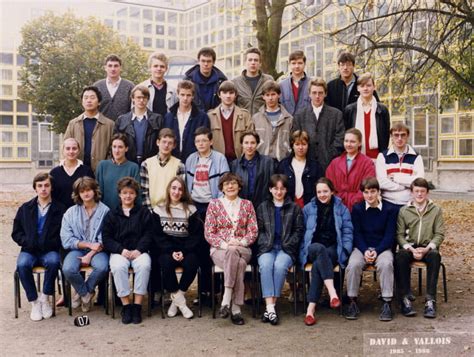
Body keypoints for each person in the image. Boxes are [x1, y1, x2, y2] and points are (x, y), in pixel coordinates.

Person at [204, 173, 258, 325]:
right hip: (219, 249)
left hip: (243, 248)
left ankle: (226, 297)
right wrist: (227, 245)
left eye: (234, 183)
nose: (230, 186)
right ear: (222, 187)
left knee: (235, 253)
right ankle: (236, 309)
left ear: (239, 186)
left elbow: (253, 231)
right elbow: (209, 232)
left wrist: (241, 242)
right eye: (227, 184)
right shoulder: (214, 205)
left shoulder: (247, 204)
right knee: (239, 264)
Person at [12, 173, 66, 321]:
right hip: (29, 250)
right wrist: (27, 242)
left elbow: (64, 233)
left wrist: (50, 243)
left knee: (54, 262)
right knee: (22, 264)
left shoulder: (60, 209)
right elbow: (16, 232)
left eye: (47, 185)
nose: (43, 189)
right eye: (40, 186)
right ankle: (34, 301)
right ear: (35, 188)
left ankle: (45, 297)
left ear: (51, 188)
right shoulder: (25, 208)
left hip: (50, 250)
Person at [299, 177, 353, 326]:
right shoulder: (308, 209)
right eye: (319, 192)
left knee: (318, 264)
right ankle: (332, 293)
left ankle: (310, 310)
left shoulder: (342, 208)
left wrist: (346, 250)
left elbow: (348, 232)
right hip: (312, 247)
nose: (322, 194)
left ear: (332, 191)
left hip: (334, 249)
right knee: (319, 249)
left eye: (325, 191)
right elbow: (302, 232)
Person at [185, 127, 230, 300]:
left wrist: (216, 205)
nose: (201, 144)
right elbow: (187, 184)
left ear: (211, 141)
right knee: (200, 248)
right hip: (195, 207)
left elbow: (225, 184)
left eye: (204, 140)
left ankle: (217, 289)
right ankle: (204, 291)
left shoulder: (219, 159)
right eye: (198, 141)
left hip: (213, 206)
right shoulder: (191, 159)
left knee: (216, 247)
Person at [345, 177, 398, 321]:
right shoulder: (357, 209)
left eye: (373, 191)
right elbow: (356, 234)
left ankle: (387, 302)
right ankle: (352, 301)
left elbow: (389, 236)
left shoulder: (390, 209)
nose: (370, 195)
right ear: (362, 193)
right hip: (362, 247)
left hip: (382, 248)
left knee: (386, 264)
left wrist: (376, 251)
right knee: (354, 264)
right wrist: (365, 251)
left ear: (379, 192)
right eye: (366, 192)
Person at [102, 177, 152, 324]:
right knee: (118, 266)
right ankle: (126, 306)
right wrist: (120, 250)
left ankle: (137, 305)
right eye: (124, 193)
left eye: (131, 193)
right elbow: (106, 238)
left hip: (139, 251)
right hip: (120, 252)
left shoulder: (143, 213)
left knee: (144, 265)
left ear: (136, 195)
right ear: (119, 194)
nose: (128, 196)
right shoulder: (112, 214)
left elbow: (149, 234)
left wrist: (139, 249)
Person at [256, 174, 304, 325]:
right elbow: (259, 230)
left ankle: (269, 309)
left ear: (286, 190)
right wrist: (265, 243)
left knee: (280, 266)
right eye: (275, 188)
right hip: (267, 247)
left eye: (282, 189)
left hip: (286, 248)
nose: (278, 192)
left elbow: (298, 231)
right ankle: (271, 308)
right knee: (265, 265)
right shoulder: (263, 207)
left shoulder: (294, 208)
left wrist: (288, 244)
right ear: (270, 189)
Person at [396, 178, 445, 319]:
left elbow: (439, 234)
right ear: (411, 192)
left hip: (427, 247)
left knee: (435, 256)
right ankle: (405, 298)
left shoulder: (435, 210)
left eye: (422, 191)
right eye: (416, 191)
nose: (419, 194)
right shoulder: (404, 211)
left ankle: (430, 300)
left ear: (427, 193)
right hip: (410, 247)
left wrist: (427, 248)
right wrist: (410, 249)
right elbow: (399, 235)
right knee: (400, 256)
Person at [154, 177, 201, 319]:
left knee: (192, 263)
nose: (176, 192)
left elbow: (195, 235)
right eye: (173, 188)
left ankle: (176, 299)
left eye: (180, 189)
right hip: (166, 250)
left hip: (186, 248)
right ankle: (181, 303)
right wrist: (171, 251)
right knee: (166, 264)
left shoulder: (191, 210)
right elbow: (157, 236)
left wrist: (183, 251)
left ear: (184, 192)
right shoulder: (159, 209)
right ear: (169, 190)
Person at [60, 177, 110, 312]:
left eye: (88, 190)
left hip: (98, 251)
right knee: (68, 269)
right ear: (78, 194)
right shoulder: (70, 213)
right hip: (77, 250)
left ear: (94, 191)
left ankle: (83, 292)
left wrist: (91, 254)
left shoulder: (105, 211)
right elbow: (66, 239)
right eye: (82, 191)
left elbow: (106, 238)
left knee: (102, 267)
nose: (86, 194)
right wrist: (87, 245)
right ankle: (86, 293)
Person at [292, 78, 345, 172]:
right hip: (306, 165)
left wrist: (328, 156)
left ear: (325, 93)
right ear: (309, 94)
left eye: (320, 93)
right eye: (314, 93)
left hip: (330, 164)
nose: (317, 96)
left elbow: (339, 140)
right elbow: (295, 139)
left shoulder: (336, 114)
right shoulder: (300, 115)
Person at [64, 86, 114, 172]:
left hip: (101, 171)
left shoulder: (109, 125)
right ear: (82, 102)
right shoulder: (73, 124)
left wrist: (106, 166)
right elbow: (65, 147)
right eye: (86, 98)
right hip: (77, 171)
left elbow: (113, 150)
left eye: (92, 97)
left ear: (99, 102)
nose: (89, 100)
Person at [325, 128, 376, 212]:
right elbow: (328, 185)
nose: (348, 144)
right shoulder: (335, 163)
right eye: (346, 141)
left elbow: (368, 186)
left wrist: (354, 201)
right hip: (337, 207)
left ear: (359, 143)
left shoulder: (367, 163)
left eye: (352, 141)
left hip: (359, 207)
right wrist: (337, 200)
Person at [376, 123, 425, 207]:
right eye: (396, 135)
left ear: (408, 136)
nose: (399, 138)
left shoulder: (416, 157)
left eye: (403, 135)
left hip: (409, 204)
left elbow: (419, 182)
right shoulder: (382, 156)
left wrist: (395, 178)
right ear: (391, 136)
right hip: (388, 203)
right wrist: (404, 186)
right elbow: (381, 182)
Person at [343, 72, 390, 160]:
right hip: (356, 158)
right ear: (358, 88)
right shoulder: (350, 110)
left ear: (374, 87)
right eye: (362, 86)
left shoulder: (382, 110)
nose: (365, 88)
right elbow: (346, 134)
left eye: (368, 85)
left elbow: (386, 136)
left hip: (377, 158)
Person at [114, 85, 164, 165]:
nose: (141, 100)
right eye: (138, 97)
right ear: (132, 99)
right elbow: (116, 143)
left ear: (148, 99)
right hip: (127, 162)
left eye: (144, 97)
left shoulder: (157, 119)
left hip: (151, 162)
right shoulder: (122, 120)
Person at [207, 80, 255, 162]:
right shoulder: (210, 116)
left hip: (239, 160)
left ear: (235, 95)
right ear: (219, 94)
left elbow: (251, 138)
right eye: (224, 93)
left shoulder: (245, 115)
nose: (228, 96)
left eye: (231, 93)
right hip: (217, 161)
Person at [163, 80, 210, 161]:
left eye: (188, 95)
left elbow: (206, 140)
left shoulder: (202, 117)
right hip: (172, 159)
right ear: (177, 95)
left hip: (195, 160)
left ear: (193, 96)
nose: (185, 98)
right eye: (182, 95)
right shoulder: (169, 117)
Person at [140, 128, 185, 211]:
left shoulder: (179, 165)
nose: (166, 145)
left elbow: (180, 192)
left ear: (174, 146)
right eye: (164, 142)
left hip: (171, 211)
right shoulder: (146, 164)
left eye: (170, 143)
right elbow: (144, 193)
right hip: (151, 211)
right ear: (158, 142)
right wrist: (151, 212)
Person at [276, 130, 322, 208]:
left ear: (308, 145)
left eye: (304, 144)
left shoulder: (315, 166)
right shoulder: (284, 165)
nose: (300, 147)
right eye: (297, 144)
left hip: (309, 206)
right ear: (292, 145)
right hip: (288, 206)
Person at [231, 131, 275, 210]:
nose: (249, 146)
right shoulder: (234, 165)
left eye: (252, 143)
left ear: (257, 144)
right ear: (242, 144)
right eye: (246, 143)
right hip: (241, 207)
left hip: (263, 206)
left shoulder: (268, 162)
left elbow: (272, 185)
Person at [96, 133, 140, 210]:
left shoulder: (133, 168)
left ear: (126, 148)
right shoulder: (102, 165)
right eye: (114, 147)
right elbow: (97, 192)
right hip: (105, 212)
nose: (117, 150)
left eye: (120, 147)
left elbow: (136, 194)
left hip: (126, 213)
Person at [252, 81, 293, 161]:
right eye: (267, 95)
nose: (270, 98)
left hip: (282, 161)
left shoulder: (288, 118)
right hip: (261, 162)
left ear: (279, 95)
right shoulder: (256, 118)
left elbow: (292, 142)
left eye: (273, 94)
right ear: (263, 97)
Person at [50, 138, 94, 209]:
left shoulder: (87, 171)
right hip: (59, 214)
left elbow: (92, 194)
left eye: (74, 148)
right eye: (68, 148)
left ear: (79, 151)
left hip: (82, 214)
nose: (71, 151)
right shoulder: (54, 173)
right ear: (63, 151)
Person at [232, 47, 273, 115]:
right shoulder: (235, 82)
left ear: (260, 63)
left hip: (263, 122)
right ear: (245, 62)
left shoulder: (268, 80)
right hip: (243, 122)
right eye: (250, 60)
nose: (253, 62)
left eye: (256, 60)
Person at [93, 54, 135, 121]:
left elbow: (134, 110)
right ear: (105, 68)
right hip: (101, 128)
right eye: (110, 66)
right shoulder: (97, 86)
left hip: (123, 129)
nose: (113, 69)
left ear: (120, 68)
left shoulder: (130, 87)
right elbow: (92, 109)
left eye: (116, 66)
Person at [184, 47, 227, 112]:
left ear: (213, 62)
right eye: (203, 61)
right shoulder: (188, 80)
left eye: (209, 61)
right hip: (195, 119)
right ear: (198, 61)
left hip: (216, 118)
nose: (206, 64)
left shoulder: (222, 81)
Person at [139, 52, 178, 117]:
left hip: (167, 126)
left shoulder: (173, 89)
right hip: (148, 126)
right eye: (155, 66)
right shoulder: (141, 88)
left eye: (162, 66)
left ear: (166, 69)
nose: (159, 69)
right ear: (150, 68)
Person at [279, 50, 311, 115]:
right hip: (287, 124)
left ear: (304, 64)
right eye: (293, 63)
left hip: (306, 123)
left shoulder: (312, 84)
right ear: (289, 64)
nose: (297, 66)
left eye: (300, 63)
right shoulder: (281, 86)